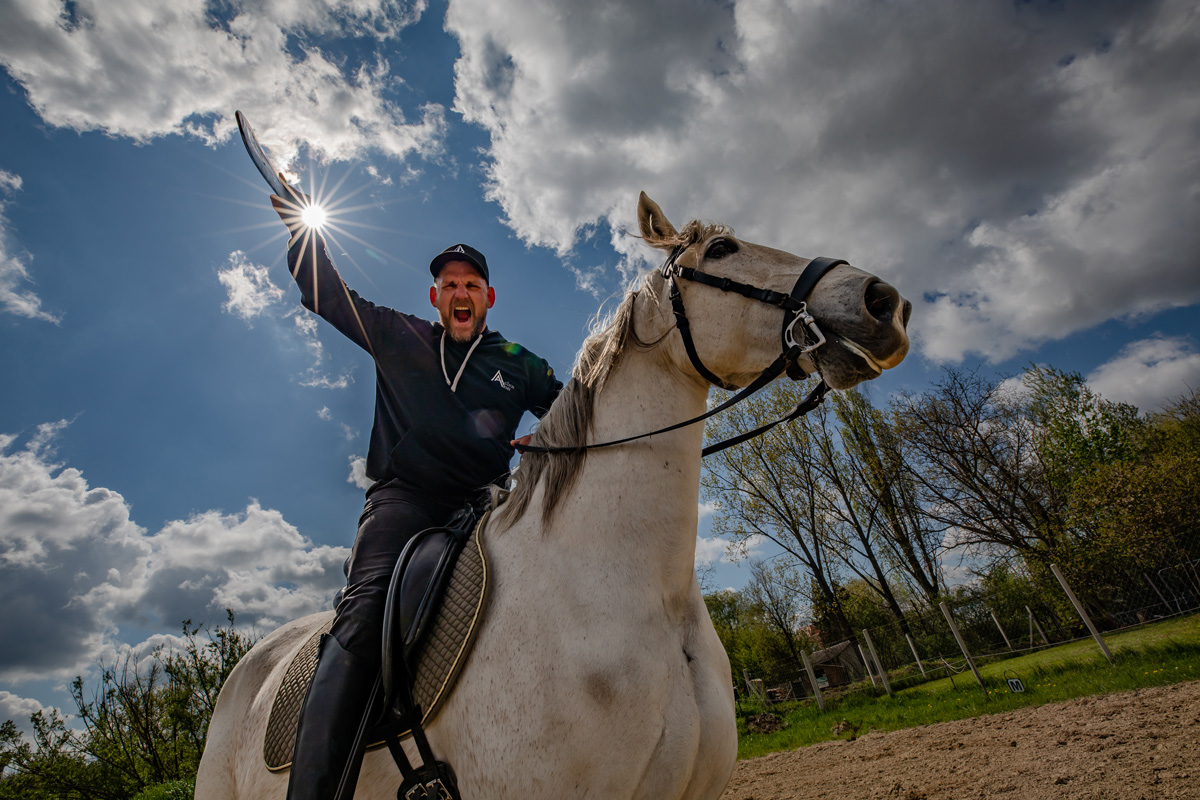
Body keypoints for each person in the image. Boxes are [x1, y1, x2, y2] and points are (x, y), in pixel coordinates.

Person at [271, 188, 562, 800]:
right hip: (404, 502)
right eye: (449, 284)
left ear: (488, 297)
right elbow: (329, 295)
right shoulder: (398, 334)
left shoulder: (519, 362)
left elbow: (570, 408)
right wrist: (303, 231)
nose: (461, 293)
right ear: (435, 297)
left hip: (486, 507)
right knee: (365, 612)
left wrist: (548, 433)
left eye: (471, 284)